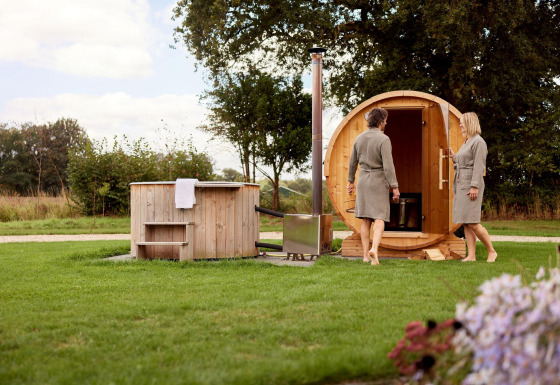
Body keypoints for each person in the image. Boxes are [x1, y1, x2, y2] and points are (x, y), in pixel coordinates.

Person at [347, 107, 400, 265]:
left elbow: (352, 163)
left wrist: (350, 182)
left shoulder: (359, 138)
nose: (386, 122)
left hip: (363, 179)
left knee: (365, 219)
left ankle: (364, 255)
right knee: (379, 217)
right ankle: (374, 250)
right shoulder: (384, 139)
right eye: (385, 120)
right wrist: (395, 187)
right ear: (381, 121)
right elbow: (388, 166)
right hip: (378, 180)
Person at [449, 112, 498, 262]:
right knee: (466, 222)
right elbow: (463, 161)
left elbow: (478, 166)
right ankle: (471, 255)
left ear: (470, 123)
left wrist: (475, 186)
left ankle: (492, 251)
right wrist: (453, 155)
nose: (461, 125)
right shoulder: (467, 141)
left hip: (471, 184)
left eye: (462, 122)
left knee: (473, 223)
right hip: (462, 183)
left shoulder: (479, 142)